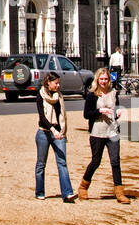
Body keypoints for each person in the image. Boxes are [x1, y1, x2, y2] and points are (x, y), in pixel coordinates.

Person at [80, 67, 129, 204]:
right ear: (97, 79)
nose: (103, 81)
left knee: (115, 161)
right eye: (101, 79)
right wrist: (99, 110)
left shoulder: (114, 93)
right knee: (96, 161)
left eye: (106, 79)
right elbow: (86, 114)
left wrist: (117, 113)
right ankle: (84, 186)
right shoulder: (92, 94)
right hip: (98, 131)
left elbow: (116, 108)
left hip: (112, 131)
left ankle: (119, 192)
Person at [35, 71, 77, 202]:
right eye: (56, 83)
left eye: (59, 83)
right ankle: (40, 191)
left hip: (59, 132)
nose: (58, 86)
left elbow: (62, 115)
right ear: (48, 83)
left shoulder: (59, 96)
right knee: (41, 164)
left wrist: (62, 131)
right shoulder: (40, 96)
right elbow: (42, 117)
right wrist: (53, 130)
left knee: (62, 162)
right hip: (44, 132)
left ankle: (67, 193)